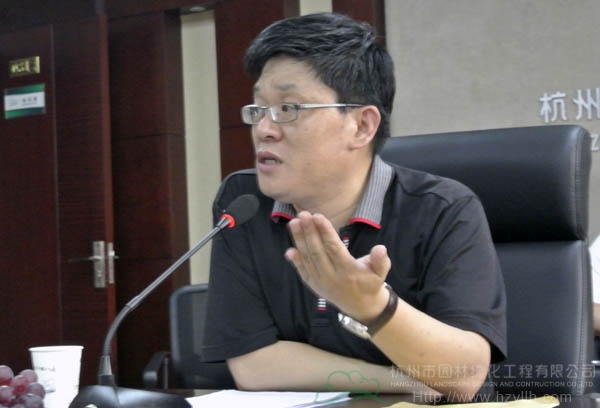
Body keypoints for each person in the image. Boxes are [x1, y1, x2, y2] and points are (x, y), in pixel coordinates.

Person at [201, 12, 507, 401]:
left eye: (289, 109)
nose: (264, 129)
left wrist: (373, 306)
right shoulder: (243, 202)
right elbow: (253, 363)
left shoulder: (444, 210)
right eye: (258, 109)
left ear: (362, 126)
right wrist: (404, 381)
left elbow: (463, 377)